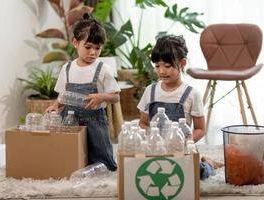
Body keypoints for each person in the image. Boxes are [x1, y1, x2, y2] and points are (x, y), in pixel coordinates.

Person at [137, 34, 223, 180]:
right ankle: (202, 158)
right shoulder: (150, 91)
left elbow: (201, 129)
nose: (161, 71)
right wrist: (154, 139)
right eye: (157, 66)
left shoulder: (191, 94)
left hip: (182, 148)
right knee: (143, 172)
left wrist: (185, 142)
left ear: (182, 63)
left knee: (195, 175)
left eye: (167, 66)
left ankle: (208, 163)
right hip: (156, 149)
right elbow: (143, 123)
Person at [45, 14, 119, 171]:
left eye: (97, 48)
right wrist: (55, 106)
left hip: (95, 121)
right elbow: (63, 95)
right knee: (70, 153)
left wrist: (102, 96)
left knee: (101, 154)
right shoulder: (68, 68)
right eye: (88, 47)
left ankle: (102, 170)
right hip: (70, 120)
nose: (93, 52)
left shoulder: (102, 69)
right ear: (75, 43)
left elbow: (115, 96)